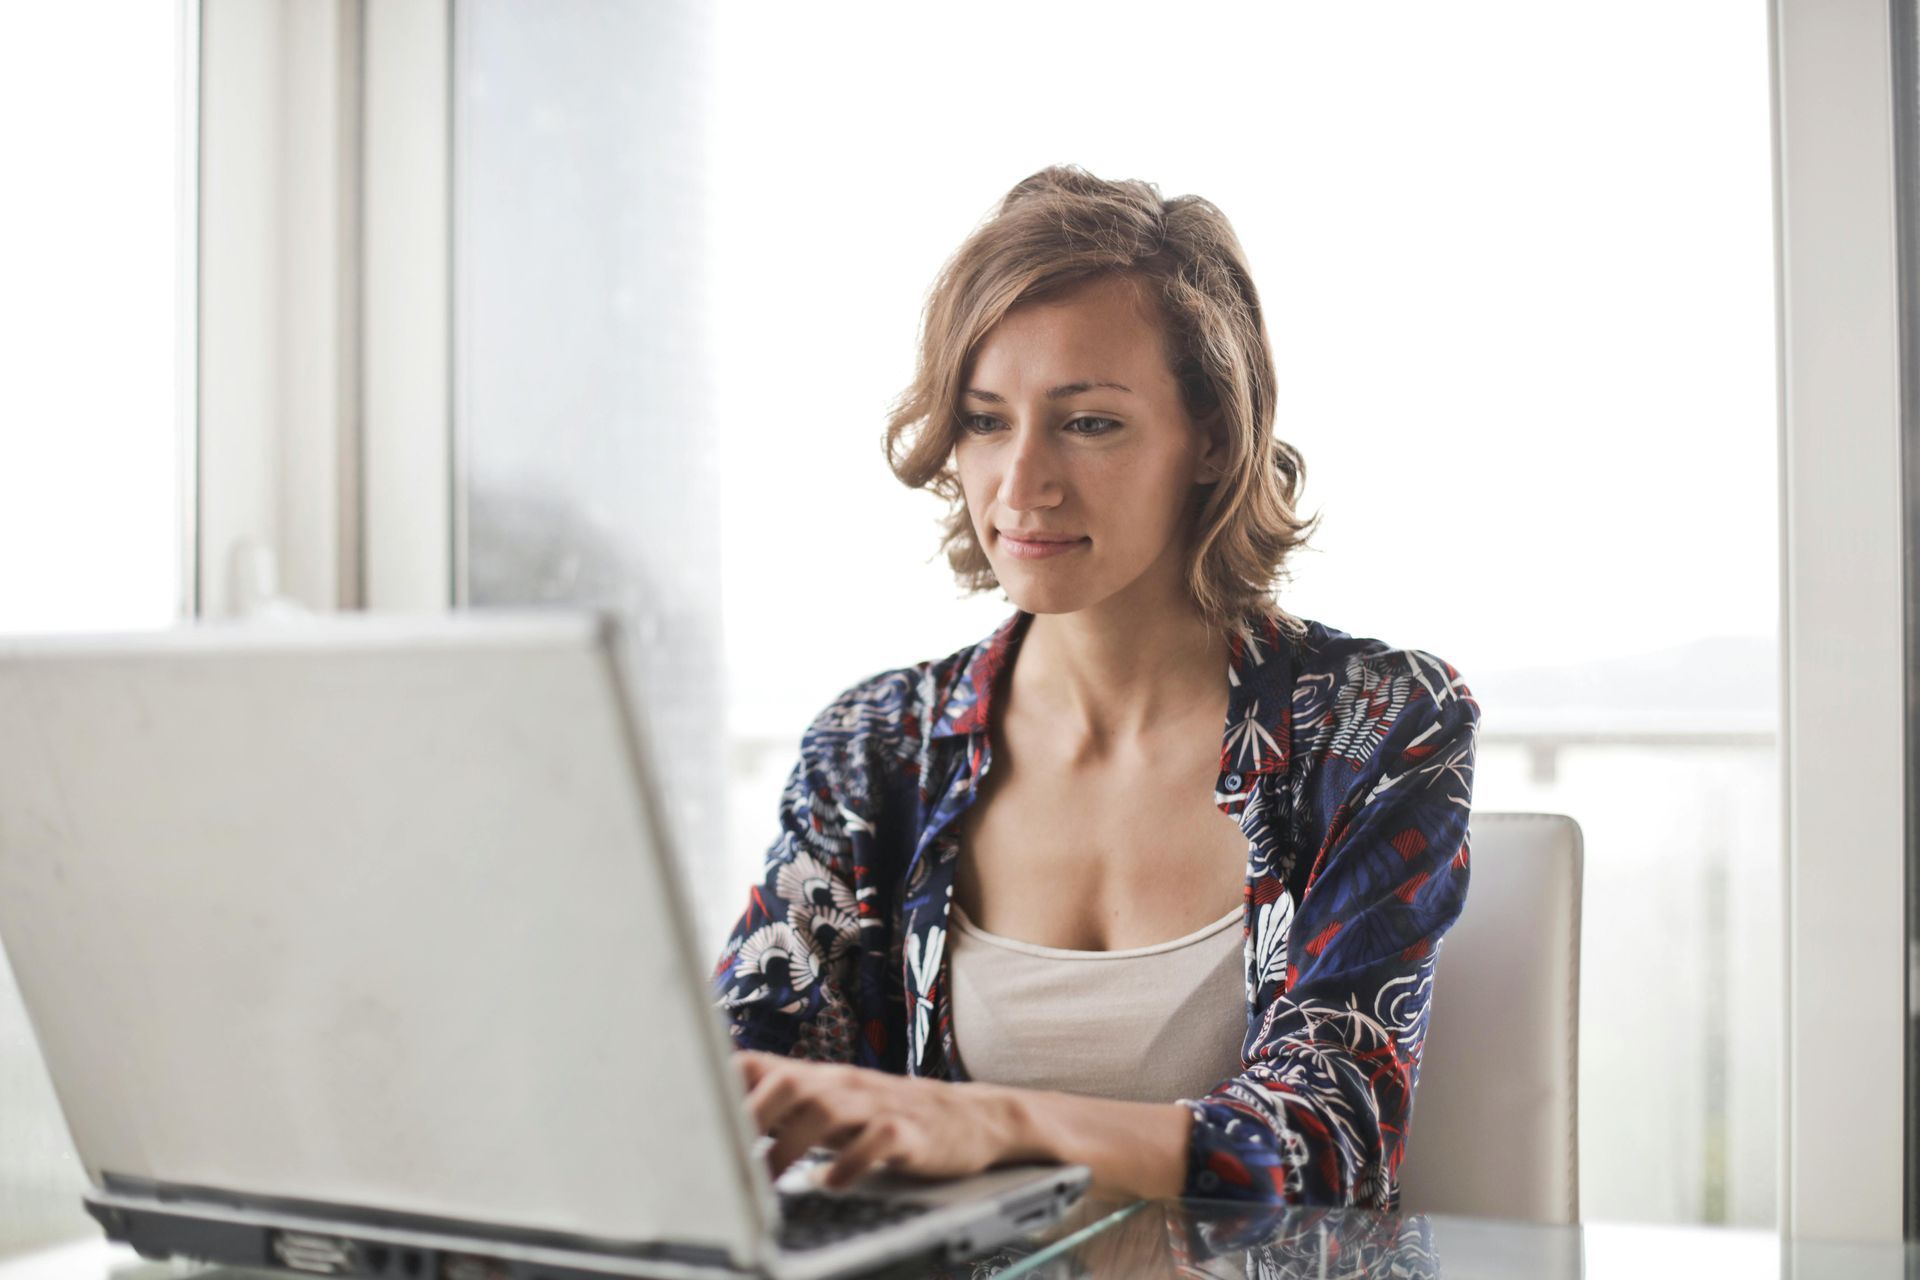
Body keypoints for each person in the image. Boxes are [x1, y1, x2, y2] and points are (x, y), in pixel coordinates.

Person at [710, 165, 1479, 1210]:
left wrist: (996, 1120)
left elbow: (1333, 1141)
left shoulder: (1375, 724)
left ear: (1211, 436)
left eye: (1090, 423)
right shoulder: (879, 745)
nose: (1021, 483)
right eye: (985, 421)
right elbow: (735, 1087)